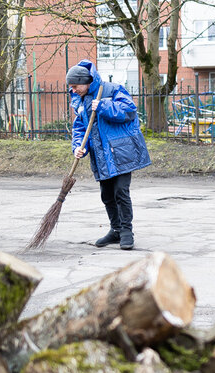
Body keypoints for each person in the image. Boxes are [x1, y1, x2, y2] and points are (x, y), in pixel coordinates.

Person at [67, 60, 151, 250]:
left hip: (120, 152)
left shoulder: (112, 90)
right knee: (107, 194)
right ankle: (116, 230)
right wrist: (79, 147)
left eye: (75, 86)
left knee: (121, 191)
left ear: (85, 81)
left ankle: (127, 231)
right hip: (100, 155)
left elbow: (129, 112)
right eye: (70, 87)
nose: (73, 90)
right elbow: (80, 126)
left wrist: (104, 106)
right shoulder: (78, 100)